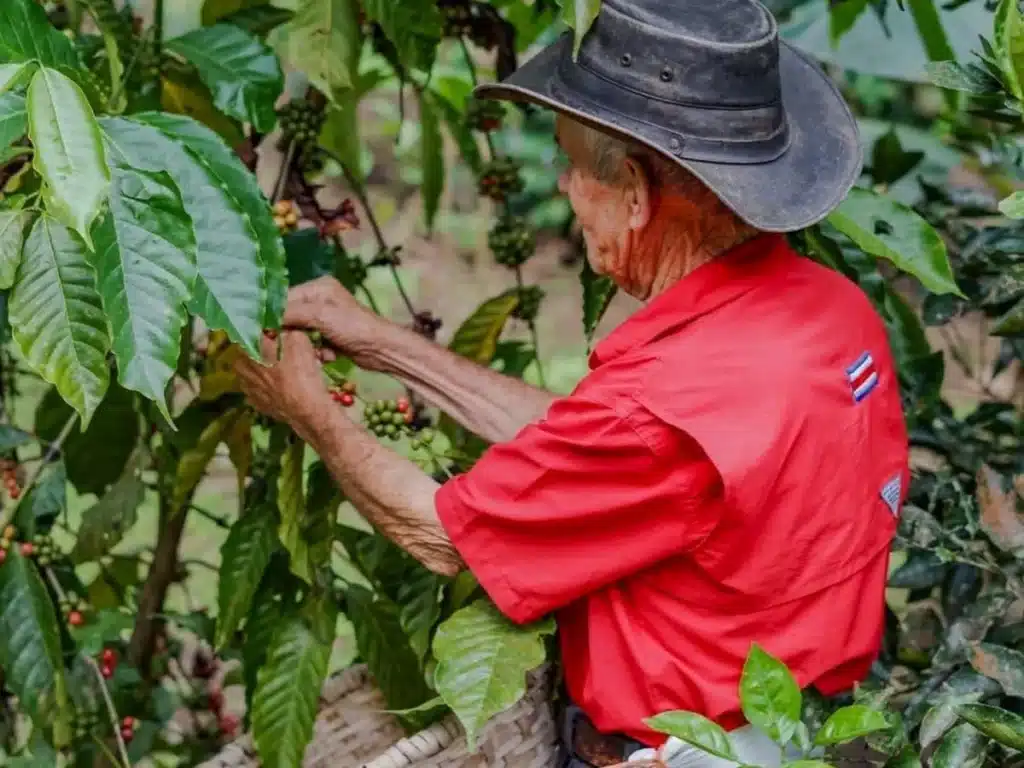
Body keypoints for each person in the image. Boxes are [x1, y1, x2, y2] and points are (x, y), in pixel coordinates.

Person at [235, 0, 909, 765]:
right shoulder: (829, 311)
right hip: (813, 735)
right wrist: (383, 344)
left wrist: (307, 409)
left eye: (570, 165)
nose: (560, 187)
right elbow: (605, 454)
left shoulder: (663, 408)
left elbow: (445, 534)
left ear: (637, 195)